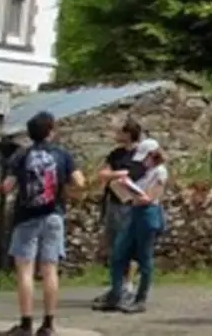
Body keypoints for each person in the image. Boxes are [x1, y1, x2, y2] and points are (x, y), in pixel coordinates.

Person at [0, 110, 85, 336]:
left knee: (25, 271)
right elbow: (79, 182)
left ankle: (26, 324)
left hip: (26, 217)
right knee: (50, 270)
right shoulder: (62, 154)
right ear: (50, 131)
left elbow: (6, 187)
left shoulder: (21, 155)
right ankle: (48, 324)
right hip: (54, 215)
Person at [97, 139, 167, 314]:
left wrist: (132, 192)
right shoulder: (146, 171)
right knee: (119, 253)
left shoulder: (160, 172)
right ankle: (116, 294)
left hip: (148, 215)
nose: (142, 162)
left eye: (145, 158)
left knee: (144, 257)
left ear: (152, 156)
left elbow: (149, 198)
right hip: (134, 213)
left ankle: (140, 299)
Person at [91, 117, 146, 310]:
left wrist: (115, 175)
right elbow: (103, 174)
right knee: (114, 245)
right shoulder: (116, 153)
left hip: (130, 204)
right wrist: (117, 174)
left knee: (129, 244)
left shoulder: (141, 154)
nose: (115, 135)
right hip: (113, 202)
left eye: (119, 132)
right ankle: (116, 285)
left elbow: (134, 175)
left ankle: (129, 285)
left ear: (128, 133)